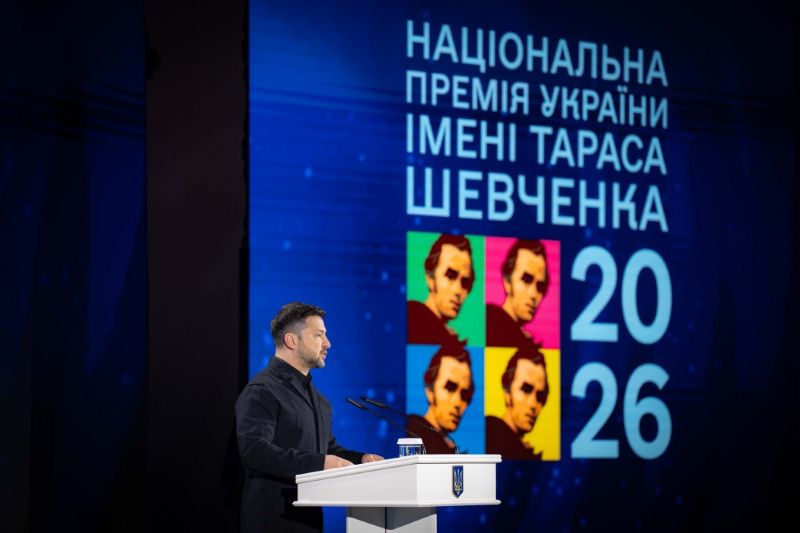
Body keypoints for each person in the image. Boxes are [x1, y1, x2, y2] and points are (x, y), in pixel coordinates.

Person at [235, 302, 384, 533]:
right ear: (291, 341)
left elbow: (327, 450)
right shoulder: (262, 390)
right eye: (318, 335)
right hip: (273, 522)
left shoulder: (318, 399)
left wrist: (361, 459)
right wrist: (320, 463)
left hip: (309, 521)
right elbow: (255, 452)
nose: (328, 343)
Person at [407, 342, 474, 453]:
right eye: (450, 388)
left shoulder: (446, 443)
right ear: (429, 390)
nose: (458, 403)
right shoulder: (411, 430)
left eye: (465, 394)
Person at [407, 234, 475, 345]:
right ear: (430, 278)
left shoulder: (444, 335)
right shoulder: (412, 318)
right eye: (450, 276)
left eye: (465, 282)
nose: (458, 290)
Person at [486, 346, 549, 460]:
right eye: (526, 390)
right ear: (507, 393)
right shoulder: (489, 432)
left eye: (540, 396)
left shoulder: (519, 447)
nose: (533, 404)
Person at [486, 239, 549, 348]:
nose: (533, 294)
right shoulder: (489, 321)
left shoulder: (522, 339)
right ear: (507, 282)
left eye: (540, 286)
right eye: (526, 280)